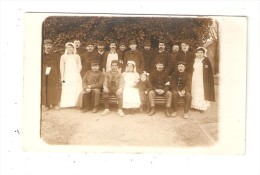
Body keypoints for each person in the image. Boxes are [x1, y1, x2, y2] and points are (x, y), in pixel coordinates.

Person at [191, 47, 215, 112]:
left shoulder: (206, 60)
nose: (199, 54)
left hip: (203, 79)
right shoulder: (194, 60)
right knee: (195, 91)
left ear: (203, 53)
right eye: (198, 52)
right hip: (195, 78)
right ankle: (195, 105)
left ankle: (202, 107)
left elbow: (209, 71)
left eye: (201, 52)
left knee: (202, 92)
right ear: (196, 53)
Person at [60, 42, 82, 108]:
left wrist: (78, 73)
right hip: (67, 75)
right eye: (68, 47)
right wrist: (62, 76)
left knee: (76, 87)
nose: (69, 48)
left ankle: (76, 103)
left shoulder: (77, 56)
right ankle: (67, 104)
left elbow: (79, 65)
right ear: (66, 48)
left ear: (73, 48)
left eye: (71, 47)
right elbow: (62, 67)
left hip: (75, 74)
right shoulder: (63, 56)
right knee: (67, 88)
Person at [41, 39, 61, 110]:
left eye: (49, 45)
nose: (48, 47)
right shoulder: (41, 55)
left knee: (53, 89)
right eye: (47, 45)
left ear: (52, 46)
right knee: (45, 88)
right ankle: (45, 104)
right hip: (44, 75)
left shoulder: (56, 55)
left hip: (53, 75)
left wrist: (59, 75)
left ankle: (55, 103)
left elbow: (59, 66)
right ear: (44, 46)